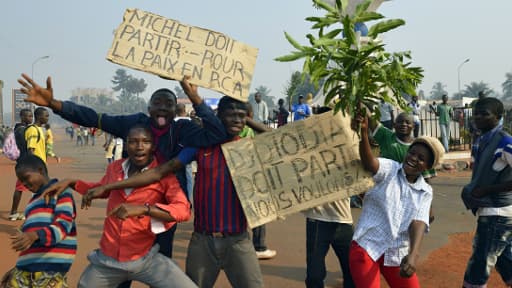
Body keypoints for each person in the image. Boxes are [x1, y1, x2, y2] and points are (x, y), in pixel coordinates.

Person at [18, 73, 226, 287]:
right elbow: (95, 118)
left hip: (162, 211)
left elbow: (218, 133)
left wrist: (195, 98)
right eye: (157, 103)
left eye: (169, 104)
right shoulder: (132, 128)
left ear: (175, 110)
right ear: (148, 108)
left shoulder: (184, 129)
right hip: (127, 207)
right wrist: (55, 104)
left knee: (160, 269)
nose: (163, 108)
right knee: (121, 264)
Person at [78, 94, 265, 288]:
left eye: (241, 115)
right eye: (231, 114)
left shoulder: (250, 148)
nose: (236, 119)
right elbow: (159, 172)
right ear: (218, 117)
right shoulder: (200, 148)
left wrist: (248, 119)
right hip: (203, 239)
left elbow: (285, 141)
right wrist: (108, 186)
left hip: (238, 238)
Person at [43, 125, 196, 288]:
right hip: (108, 261)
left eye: (146, 142)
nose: (139, 147)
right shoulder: (115, 168)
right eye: (133, 142)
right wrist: (72, 182)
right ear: (125, 144)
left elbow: (183, 210)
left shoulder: (163, 175)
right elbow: (101, 189)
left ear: (153, 147)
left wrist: (145, 209)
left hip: (145, 259)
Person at [349, 114, 444, 288]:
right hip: (367, 246)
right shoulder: (390, 169)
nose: (413, 158)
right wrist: (363, 134)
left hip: (396, 251)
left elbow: (419, 222)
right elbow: (370, 163)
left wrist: (413, 256)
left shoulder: (425, 191)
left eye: (421, 158)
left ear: (427, 167)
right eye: (412, 153)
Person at [2, 154, 77, 287]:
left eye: (26, 178)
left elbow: (63, 226)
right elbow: (28, 242)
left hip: (51, 271)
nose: (25, 184)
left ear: (40, 170)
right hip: (25, 270)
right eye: (22, 182)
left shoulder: (61, 193)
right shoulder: (31, 203)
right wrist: (18, 266)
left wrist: (36, 235)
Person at [460, 97, 512, 287]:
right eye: (476, 113)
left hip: (497, 213)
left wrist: (487, 190)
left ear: (498, 117)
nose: (478, 117)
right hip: (491, 211)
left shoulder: (505, 142)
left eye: (485, 114)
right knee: (504, 259)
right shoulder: (483, 140)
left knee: (479, 264)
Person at [303, 105, 355, 288]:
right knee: (314, 276)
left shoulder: (348, 147)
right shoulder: (307, 148)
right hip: (317, 220)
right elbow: (275, 138)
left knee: (353, 272)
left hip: (343, 220)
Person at [9, 108, 33, 221]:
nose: (30, 118)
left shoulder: (20, 129)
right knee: (21, 188)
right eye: (28, 116)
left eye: (31, 116)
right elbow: (26, 146)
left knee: (22, 188)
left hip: (24, 162)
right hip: (25, 163)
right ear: (22, 117)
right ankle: (14, 212)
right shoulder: (21, 130)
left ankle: (14, 212)